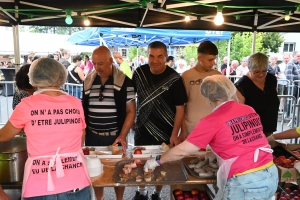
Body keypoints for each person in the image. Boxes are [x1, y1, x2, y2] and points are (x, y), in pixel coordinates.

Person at [144, 75, 278, 200]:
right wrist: (214, 152)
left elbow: (182, 151)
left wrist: (157, 161)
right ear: (229, 89)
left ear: (207, 95)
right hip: (270, 173)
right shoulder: (248, 109)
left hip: (245, 181)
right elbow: (243, 139)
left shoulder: (211, 120)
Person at [0, 58, 91, 199]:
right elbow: (80, 139)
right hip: (75, 182)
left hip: (40, 185)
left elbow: (2, 136)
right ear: (61, 76)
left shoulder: (27, 105)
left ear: (34, 78)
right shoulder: (76, 103)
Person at [132, 41, 187, 200]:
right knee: (140, 162)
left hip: (166, 131)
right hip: (142, 129)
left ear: (166, 57)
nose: (155, 60)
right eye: (151, 56)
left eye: (159, 56)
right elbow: (129, 99)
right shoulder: (139, 73)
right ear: (147, 55)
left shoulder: (174, 78)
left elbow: (180, 109)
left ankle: (156, 194)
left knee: (160, 163)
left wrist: (175, 134)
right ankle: (141, 192)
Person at [82, 46, 135, 200]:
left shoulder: (126, 82)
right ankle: (99, 198)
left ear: (111, 61)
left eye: (101, 64)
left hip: (116, 137)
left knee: (119, 171)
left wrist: (123, 135)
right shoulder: (88, 81)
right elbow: (83, 110)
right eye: (94, 63)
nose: (97, 68)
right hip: (93, 136)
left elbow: (131, 110)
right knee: (95, 171)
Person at [180, 41, 221, 137]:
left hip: (213, 126)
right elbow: (181, 105)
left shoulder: (218, 76)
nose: (213, 63)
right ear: (199, 58)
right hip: (191, 126)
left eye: (214, 60)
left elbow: (222, 102)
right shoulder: (186, 76)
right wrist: (183, 130)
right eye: (210, 60)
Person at [235, 53, 279, 137]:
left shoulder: (272, 79)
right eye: (257, 72)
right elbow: (239, 112)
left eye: (264, 71)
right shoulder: (241, 85)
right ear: (249, 68)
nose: (261, 74)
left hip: (269, 126)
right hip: (250, 131)